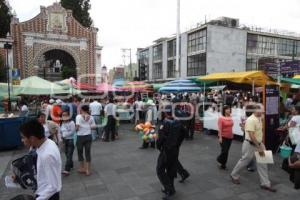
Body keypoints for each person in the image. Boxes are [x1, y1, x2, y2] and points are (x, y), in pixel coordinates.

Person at [230, 104, 277, 192]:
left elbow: (258, 131)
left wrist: (261, 144)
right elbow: (251, 135)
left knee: (263, 163)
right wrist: (259, 147)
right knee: (244, 161)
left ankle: (265, 183)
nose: (263, 112)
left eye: (263, 111)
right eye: (261, 111)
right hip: (250, 144)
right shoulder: (251, 119)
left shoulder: (259, 118)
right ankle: (234, 174)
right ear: (255, 110)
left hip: (259, 143)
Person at [20, 120, 61, 200]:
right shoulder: (47, 142)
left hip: (47, 196)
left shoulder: (47, 155)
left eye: (23, 137)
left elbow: (53, 186)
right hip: (43, 192)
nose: (22, 140)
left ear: (32, 138)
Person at [156, 106, 186, 200]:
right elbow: (184, 133)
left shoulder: (165, 123)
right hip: (175, 150)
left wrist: (159, 147)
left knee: (160, 169)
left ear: (165, 113)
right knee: (171, 169)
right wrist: (178, 144)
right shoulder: (178, 122)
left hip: (166, 150)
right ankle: (170, 188)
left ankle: (169, 189)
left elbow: (160, 139)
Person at [76, 105, 96, 176]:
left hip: (80, 137)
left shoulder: (78, 116)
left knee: (80, 152)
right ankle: (88, 170)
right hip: (88, 136)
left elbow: (77, 127)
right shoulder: (91, 117)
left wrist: (75, 130)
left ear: (81, 109)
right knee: (88, 153)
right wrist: (87, 126)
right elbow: (94, 127)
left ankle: (82, 168)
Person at [217, 105, 234, 170]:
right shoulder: (221, 118)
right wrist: (220, 137)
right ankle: (219, 159)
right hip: (223, 136)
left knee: (226, 151)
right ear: (224, 110)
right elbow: (220, 129)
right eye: (227, 109)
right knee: (225, 151)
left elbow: (231, 126)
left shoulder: (230, 117)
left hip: (230, 136)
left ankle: (223, 164)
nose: (228, 110)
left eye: (229, 109)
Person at [60, 110, 76, 176]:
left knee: (69, 154)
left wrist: (65, 134)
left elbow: (72, 131)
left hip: (71, 140)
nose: (64, 116)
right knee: (67, 154)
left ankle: (67, 169)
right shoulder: (62, 123)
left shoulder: (72, 122)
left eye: (66, 115)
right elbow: (61, 131)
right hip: (64, 140)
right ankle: (71, 164)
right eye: (63, 115)